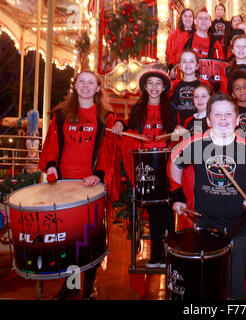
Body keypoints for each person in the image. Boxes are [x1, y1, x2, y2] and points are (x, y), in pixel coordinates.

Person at [169, 93, 246, 300]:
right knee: (206, 287)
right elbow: (175, 163)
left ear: (237, 119)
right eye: (218, 115)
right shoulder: (197, 144)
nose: (223, 119)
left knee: (236, 288)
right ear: (208, 120)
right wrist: (177, 195)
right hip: (204, 225)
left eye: (228, 114)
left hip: (239, 227)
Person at [38, 70, 116, 300]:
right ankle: (72, 286)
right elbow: (51, 144)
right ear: (75, 86)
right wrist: (51, 166)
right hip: (65, 185)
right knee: (69, 240)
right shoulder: (62, 114)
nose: (85, 85)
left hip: (90, 186)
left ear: (98, 88)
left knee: (91, 239)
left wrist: (99, 175)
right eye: (81, 81)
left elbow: (108, 151)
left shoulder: (105, 116)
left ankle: (89, 288)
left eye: (90, 82)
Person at [111, 67, 177, 269]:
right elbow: (130, 128)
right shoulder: (138, 110)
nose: (154, 87)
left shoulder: (171, 110)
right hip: (146, 167)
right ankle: (157, 254)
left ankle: (168, 254)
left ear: (164, 87)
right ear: (145, 87)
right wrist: (121, 124)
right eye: (151, 84)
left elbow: (174, 135)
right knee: (154, 212)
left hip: (165, 164)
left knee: (166, 211)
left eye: (159, 84)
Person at [169, 49, 213, 126]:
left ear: (197, 66)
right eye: (184, 61)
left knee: (197, 138)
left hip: (199, 125)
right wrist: (176, 125)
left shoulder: (204, 84)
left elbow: (212, 105)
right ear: (179, 66)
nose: (188, 64)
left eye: (191, 61)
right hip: (179, 126)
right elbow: (169, 107)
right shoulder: (173, 85)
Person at [166, 8, 195, 79]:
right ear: (181, 18)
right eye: (185, 16)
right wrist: (172, 69)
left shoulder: (198, 34)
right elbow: (169, 53)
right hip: (179, 71)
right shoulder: (174, 34)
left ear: (194, 19)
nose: (188, 18)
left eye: (190, 16)